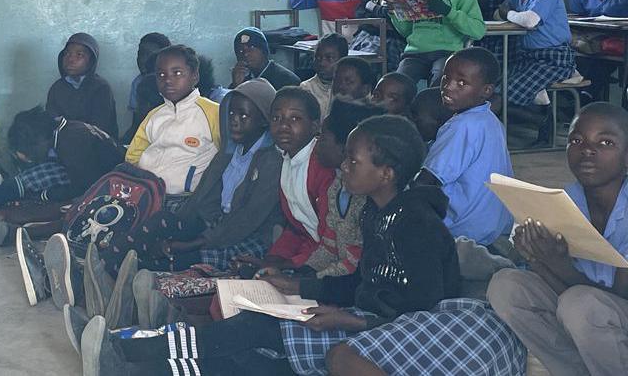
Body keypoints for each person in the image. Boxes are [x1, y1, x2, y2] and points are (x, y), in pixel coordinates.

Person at [76, 116, 526, 376]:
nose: (344, 167)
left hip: (391, 336)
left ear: (387, 172)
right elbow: (361, 281)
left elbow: (423, 308)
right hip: (366, 318)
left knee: (257, 353)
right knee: (256, 328)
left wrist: (349, 319)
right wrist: (300, 284)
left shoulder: (417, 223)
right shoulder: (376, 211)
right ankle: (134, 348)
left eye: (354, 160)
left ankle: (137, 358)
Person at [488, 102, 628, 376]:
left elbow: (620, 295)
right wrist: (538, 258)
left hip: (609, 312)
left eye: (606, 142)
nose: (588, 150)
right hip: (586, 314)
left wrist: (558, 264)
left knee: (580, 306)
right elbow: (563, 286)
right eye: (577, 139)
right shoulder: (567, 199)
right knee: (506, 285)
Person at [95, 79, 283, 275]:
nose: (234, 120)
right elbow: (202, 197)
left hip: (249, 236)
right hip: (216, 223)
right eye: (231, 113)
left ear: (264, 120)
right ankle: (102, 265)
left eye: (244, 115)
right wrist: (178, 226)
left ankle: (120, 274)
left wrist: (189, 243)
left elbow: (246, 220)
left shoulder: (271, 161)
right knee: (160, 224)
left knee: (179, 259)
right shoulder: (230, 151)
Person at [234, 98, 384, 288]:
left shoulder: (359, 200)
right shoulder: (337, 187)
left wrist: (299, 281)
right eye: (276, 118)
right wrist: (281, 263)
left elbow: (350, 265)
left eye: (322, 137)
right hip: (320, 270)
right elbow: (326, 246)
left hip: (345, 285)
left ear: (345, 147)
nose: (317, 143)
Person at [0, 106, 124, 239]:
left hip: (106, 183)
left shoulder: (71, 141)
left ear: (39, 141)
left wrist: (48, 194)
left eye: (28, 152)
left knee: (33, 180)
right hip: (88, 175)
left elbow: (82, 186)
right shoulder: (63, 133)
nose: (27, 156)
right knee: (30, 178)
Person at [415, 48, 514, 248]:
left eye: (461, 83)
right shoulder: (492, 121)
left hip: (464, 231)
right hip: (495, 227)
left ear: (486, 90)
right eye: (445, 78)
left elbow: (426, 181)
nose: (448, 87)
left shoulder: (461, 126)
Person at [496, 0, 576, 144]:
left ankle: (545, 120)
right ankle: (544, 117)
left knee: (503, 92)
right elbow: (498, 12)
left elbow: (530, 21)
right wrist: (511, 15)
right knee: (495, 86)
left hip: (554, 58)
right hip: (529, 58)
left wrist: (509, 14)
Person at [126, 45, 221, 201]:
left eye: (177, 73)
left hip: (187, 199)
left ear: (195, 76)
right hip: (148, 196)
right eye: (161, 74)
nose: (168, 80)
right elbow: (133, 156)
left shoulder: (213, 113)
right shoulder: (154, 116)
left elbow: (225, 155)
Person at [392, 0, 486, 86]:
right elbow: (407, 31)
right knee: (398, 85)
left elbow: (478, 31)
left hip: (446, 52)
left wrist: (448, 11)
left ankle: (431, 107)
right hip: (415, 53)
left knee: (440, 84)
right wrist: (394, 12)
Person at [47, 32, 118, 139]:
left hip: (98, 148)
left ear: (91, 61)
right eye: (67, 54)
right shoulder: (56, 88)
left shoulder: (101, 88)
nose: (70, 59)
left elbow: (100, 129)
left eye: (79, 55)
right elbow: (51, 122)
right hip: (63, 146)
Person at [123, 33, 171, 143]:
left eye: (149, 55)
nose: (143, 60)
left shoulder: (173, 83)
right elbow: (137, 123)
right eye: (140, 54)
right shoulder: (138, 82)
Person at [230, 27, 299, 91]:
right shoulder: (242, 76)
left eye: (251, 48)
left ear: (264, 50)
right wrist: (236, 85)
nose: (245, 54)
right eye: (240, 50)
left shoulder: (287, 80)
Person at [298, 33, 347, 121]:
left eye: (329, 58)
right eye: (318, 58)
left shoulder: (353, 86)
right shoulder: (306, 88)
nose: (322, 63)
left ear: (343, 60)